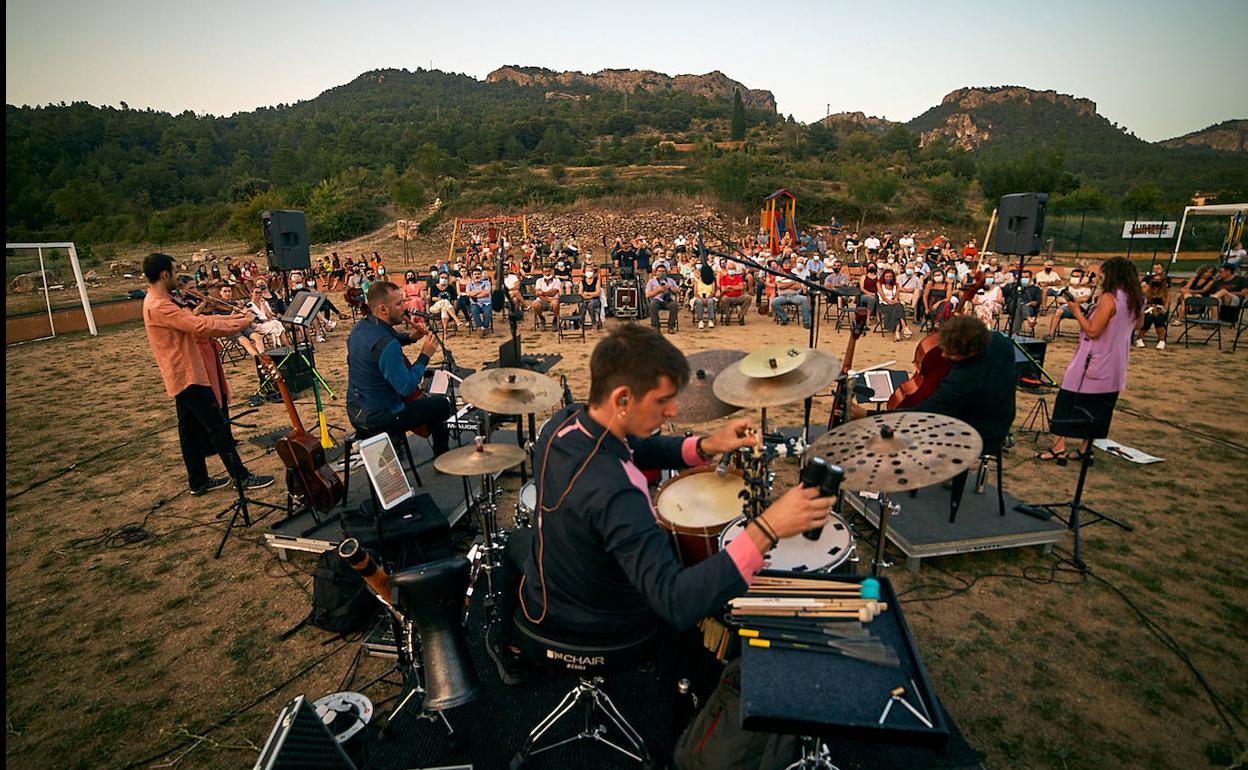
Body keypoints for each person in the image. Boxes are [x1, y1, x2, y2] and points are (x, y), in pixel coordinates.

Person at [487, 324, 837, 683]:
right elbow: (676, 602)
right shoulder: (620, 494)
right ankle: (677, 690)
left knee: (516, 541)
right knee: (689, 583)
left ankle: (507, 646)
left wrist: (704, 446)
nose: (672, 412)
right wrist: (768, 528)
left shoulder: (562, 427)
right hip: (603, 625)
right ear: (622, 398)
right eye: (662, 400)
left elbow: (628, 447)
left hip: (553, 589)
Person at [141, 254, 273, 496]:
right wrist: (240, 323)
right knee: (217, 426)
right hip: (187, 372)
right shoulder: (160, 304)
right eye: (173, 271)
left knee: (189, 430)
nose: (177, 277)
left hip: (182, 370)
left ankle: (198, 481)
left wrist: (234, 317)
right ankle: (241, 477)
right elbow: (199, 327)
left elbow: (198, 318)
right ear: (164, 275)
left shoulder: (162, 300)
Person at [1038, 258, 1143, 463]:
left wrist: (1076, 311)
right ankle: (1085, 448)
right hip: (1116, 361)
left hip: (1093, 359)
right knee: (1099, 407)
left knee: (1067, 400)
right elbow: (1138, 325)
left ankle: (1058, 447)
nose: (1100, 279)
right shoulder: (1136, 298)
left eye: (1102, 275)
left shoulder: (1109, 298)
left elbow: (1093, 331)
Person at [345, 282, 451, 457]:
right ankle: (442, 458)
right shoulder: (387, 345)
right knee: (440, 405)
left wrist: (410, 337)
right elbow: (407, 386)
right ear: (383, 309)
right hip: (380, 416)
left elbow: (388, 337)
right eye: (399, 303)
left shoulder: (360, 329)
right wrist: (425, 355)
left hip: (356, 409)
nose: (405, 306)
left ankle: (398, 445)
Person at [894, 315, 1016, 457]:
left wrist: (867, 415)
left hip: (980, 434)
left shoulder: (962, 380)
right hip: (1003, 420)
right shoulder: (1002, 343)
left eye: (951, 352)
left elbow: (922, 412)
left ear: (971, 352)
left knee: (912, 434)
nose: (944, 355)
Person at [1044, 268, 1094, 341]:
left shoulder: (1087, 290)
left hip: (1081, 310)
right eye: (1073, 276)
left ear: (1082, 278)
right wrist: (1074, 301)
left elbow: (1084, 299)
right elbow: (1059, 299)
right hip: (1066, 309)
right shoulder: (1065, 289)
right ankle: (1050, 335)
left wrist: (1068, 300)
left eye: (1077, 276)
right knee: (1058, 311)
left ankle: (1083, 336)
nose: (1074, 278)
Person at [771, 258, 810, 327]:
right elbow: (780, 286)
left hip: (794, 296)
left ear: (791, 267)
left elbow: (798, 286)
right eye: (786, 265)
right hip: (782, 296)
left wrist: (785, 285)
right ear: (783, 266)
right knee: (774, 302)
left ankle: (806, 322)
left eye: (789, 266)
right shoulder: (778, 276)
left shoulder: (795, 276)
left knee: (805, 300)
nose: (787, 267)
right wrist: (792, 283)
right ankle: (784, 318)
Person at [1137, 270, 1170, 349]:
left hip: (1160, 310)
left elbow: (1166, 306)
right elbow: (1143, 302)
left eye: (1158, 280)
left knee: (1158, 316)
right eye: (1155, 280)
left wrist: (1159, 308)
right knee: (1150, 315)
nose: (1156, 282)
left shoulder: (1166, 292)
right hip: (1147, 309)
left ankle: (1161, 340)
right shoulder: (1148, 290)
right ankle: (1139, 338)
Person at [878, 268, 911, 341]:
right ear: (883, 277)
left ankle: (897, 332)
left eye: (890, 277)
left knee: (898, 306)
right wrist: (889, 302)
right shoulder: (879, 284)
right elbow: (883, 296)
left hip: (894, 303)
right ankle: (904, 327)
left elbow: (896, 295)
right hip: (884, 304)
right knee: (898, 307)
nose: (888, 278)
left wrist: (895, 300)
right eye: (887, 277)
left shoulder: (896, 284)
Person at [645, 262, 681, 333]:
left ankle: (671, 326)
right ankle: (656, 326)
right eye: (659, 271)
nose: (661, 273)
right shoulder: (651, 281)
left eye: (663, 271)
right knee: (652, 305)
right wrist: (658, 291)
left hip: (668, 300)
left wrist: (670, 287)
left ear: (666, 272)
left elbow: (678, 290)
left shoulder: (670, 280)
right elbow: (647, 295)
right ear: (656, 272)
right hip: (657, 300)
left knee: (675, 305)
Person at [464, 266, 494, 336]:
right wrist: (481, 291)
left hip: (486, 303)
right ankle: (480, 327)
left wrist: (475, 296)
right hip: (475, 303)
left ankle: (485, 328)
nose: (477, 276)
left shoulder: (486, 282)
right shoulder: (469, 284)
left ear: (481, 275)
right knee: (474, 310)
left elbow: (487, 292)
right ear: (472, 276)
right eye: (475, 274)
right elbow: (469, 293)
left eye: (478, 274)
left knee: (487, 312)